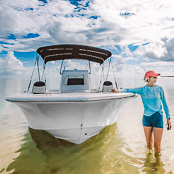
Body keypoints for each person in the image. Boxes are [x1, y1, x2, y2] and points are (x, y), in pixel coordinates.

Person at [112, 70, 171, 156]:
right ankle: (148, 161)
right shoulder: (142, 90)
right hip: (146, 119)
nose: (156, 79)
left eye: (156, 77)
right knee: (149, 145)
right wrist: (118, 92)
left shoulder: (159, 89)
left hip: (158, 118)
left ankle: (158, 165)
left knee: (157, 146)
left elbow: (165, 104)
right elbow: (129, 89)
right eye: (154, 77)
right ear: (148, 78)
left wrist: (168, 118)